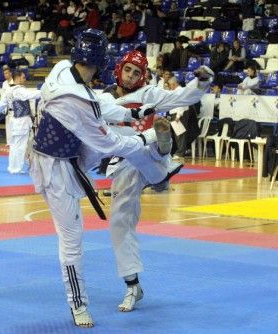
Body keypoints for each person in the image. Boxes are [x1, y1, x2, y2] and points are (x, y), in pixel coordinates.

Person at [29, 29, 171, 327]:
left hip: (63, 156)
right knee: (71, 240)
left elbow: (97, 103)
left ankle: (158, 168)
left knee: (116, 135)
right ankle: (78, 304)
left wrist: (135, 113)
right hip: (56, 169)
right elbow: (110, 144)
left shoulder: (63, 69)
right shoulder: (77, 101)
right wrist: (145, 137)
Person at [97, 49, 214, 312]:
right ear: (119, 69)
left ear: (143, 76)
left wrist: (202, 82)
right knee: (119, 224)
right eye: (128, 70)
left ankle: (163, 148)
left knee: (153, 137)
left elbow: (180, 96)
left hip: (150, 149)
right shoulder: (102, 98)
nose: (131, 76)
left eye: (137, 72)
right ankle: (132, 285)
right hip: (125, 164)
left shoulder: (149, 94)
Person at [0, 70, 41, 174]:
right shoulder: (19, 90)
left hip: (13, 119)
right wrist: (46, 91)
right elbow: (31, 94)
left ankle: (12, 167)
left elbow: (1, 104)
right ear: (18, 78)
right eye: (23, 77)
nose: (25, 79)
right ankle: (16, 168)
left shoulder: (9, 90)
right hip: (21, 120)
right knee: (20, 146)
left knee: (14, 145)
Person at [1, 66, 14, 147]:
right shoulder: (4, 83)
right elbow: (3, 95)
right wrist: (3, 107)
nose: (5, 75)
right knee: (8, 126)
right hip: (7, 107)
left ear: (10, 73)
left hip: (14, 107)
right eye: (4, 74)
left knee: (14, 126)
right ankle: (9, 142)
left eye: (6, 73)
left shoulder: (14, 82)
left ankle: (13, 142)